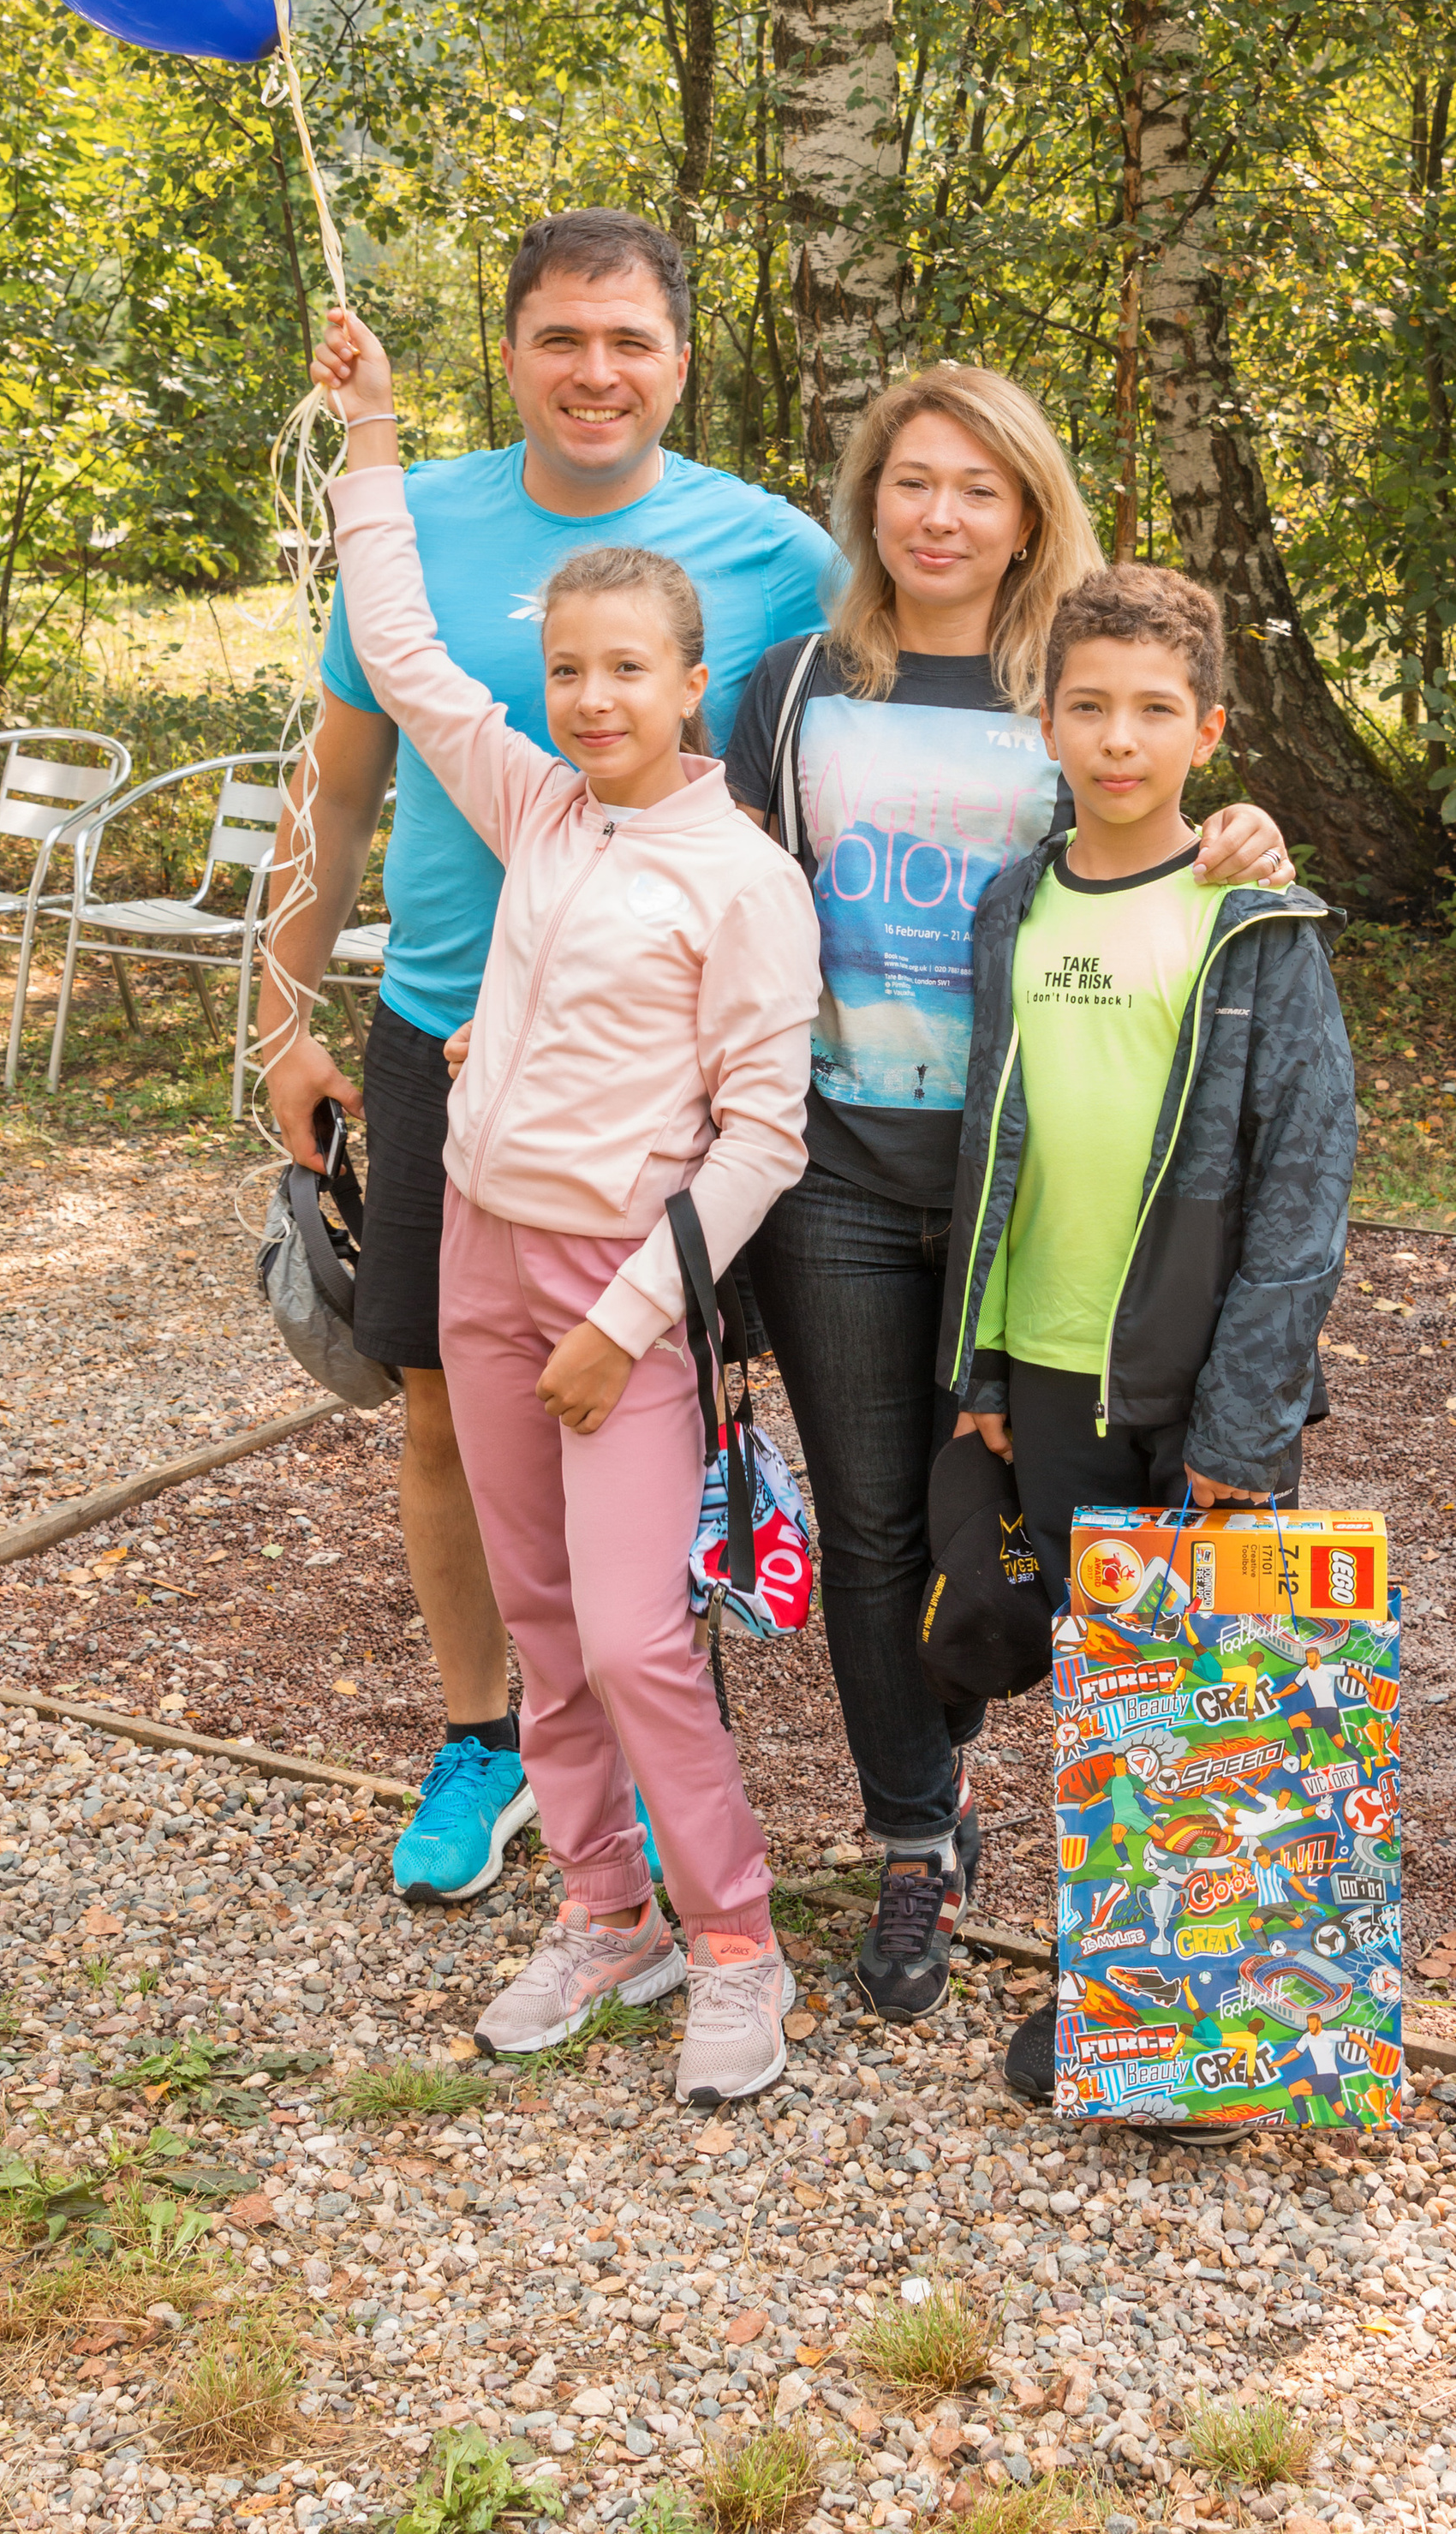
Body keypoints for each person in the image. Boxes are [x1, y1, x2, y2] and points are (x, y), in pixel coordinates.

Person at [256, 212, 835, 1908]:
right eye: (561, 337)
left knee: (645, 1425)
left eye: (629, 339)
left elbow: (921, 698)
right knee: (449, 1420)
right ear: (508, 351)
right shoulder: (430, 541)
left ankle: (654, 1777)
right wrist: (281, 1019)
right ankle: (488, 1746)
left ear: (680, 360)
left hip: (657, 1084)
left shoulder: (774, 552)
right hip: (449, 1049)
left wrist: (1167, 820)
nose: (595, 370)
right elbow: (351, 765)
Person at [723, 369, 1294, 2020]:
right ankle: (917, 1836)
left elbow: (1156, 854)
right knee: (873, 1525)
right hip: (835, 1168)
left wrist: (1246, 837)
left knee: (1031, 1526)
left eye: (980, 486)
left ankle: (1167, 1938)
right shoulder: (797, 686)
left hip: (1030, 1196)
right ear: (869, 502)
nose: (942, 515)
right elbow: (716, 895)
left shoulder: (1076, 686)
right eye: (912, 482)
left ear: (1032, 510)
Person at [934, 561, 1356, 2108]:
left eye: (1156, 711)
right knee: (1104, 1685)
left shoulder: (1255, 921)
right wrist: (984, 1363)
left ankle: (1223, 2042)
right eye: (1091, 707)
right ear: (1045, 722)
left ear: (1209, 730)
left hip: (1204, 1388)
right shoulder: (1012, 907)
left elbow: (1307, 1183)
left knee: (1218, 1697)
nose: (1121, 739)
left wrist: (1249, 1420)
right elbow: (993, 1146)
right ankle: (1113, 1999)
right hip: (1050, 1371)